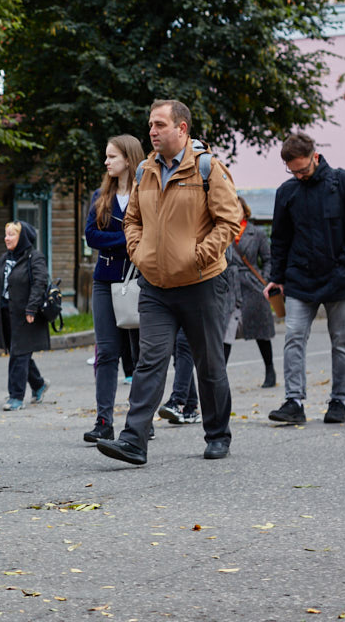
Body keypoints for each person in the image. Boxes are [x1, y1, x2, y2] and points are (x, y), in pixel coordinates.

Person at [97, 99, 239, 465]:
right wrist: (138, 251)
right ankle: (133, 441)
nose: (152, 131)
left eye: (160, 124)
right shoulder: (145, 170)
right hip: (156, 285)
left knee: (208, 364)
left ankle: (218, 434)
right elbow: (132, 220)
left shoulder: (208, 169)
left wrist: (198, 256)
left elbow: (228, 221)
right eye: (150, 124)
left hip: (201, 283)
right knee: (150, 361)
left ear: (182, 128)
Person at [264, 133, 345, 425]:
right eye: (293, 171)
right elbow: (280, 238)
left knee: (341, 341)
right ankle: (294, 402)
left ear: (315, 156)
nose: (299, 175)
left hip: (340, 277)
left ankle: (338, 401)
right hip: (300, 279)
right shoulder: (286, 192)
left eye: (303, 169)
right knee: (294, 337)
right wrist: (276, 277)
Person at [82, 134, 146, 441]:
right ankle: (103, 421)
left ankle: (140, 421)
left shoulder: (146, 192)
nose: (107, 162)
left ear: (129, 160)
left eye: (112, 157)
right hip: (105, 279)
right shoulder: (100, 195)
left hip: (137, 279)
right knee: (106, 352)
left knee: (140, 354)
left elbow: (151, 234)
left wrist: (125, 241)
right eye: (106, 157)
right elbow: (91, 236)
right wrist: (127, 239)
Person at [0, 221, 51, 410]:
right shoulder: (4, 258)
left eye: (11, 235)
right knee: (20, 353)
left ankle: (16, 397)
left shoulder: (35, 257)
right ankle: (39, 384)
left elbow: (40, 283)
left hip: (27, 315)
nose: (6, 238)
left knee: (19, 355)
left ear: (22, 237)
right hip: (7, 314)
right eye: (6, 234)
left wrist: (32, 308)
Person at [232, 197, 277, 387]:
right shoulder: (221, 232)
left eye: (237, 208)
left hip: (252, 285)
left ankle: (270, 369)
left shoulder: (256, 232)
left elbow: (268, 258)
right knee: (224, 332)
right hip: (228, 286)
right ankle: (218, 378)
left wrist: (265, 279)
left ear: (244, 211)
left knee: (261, 331)